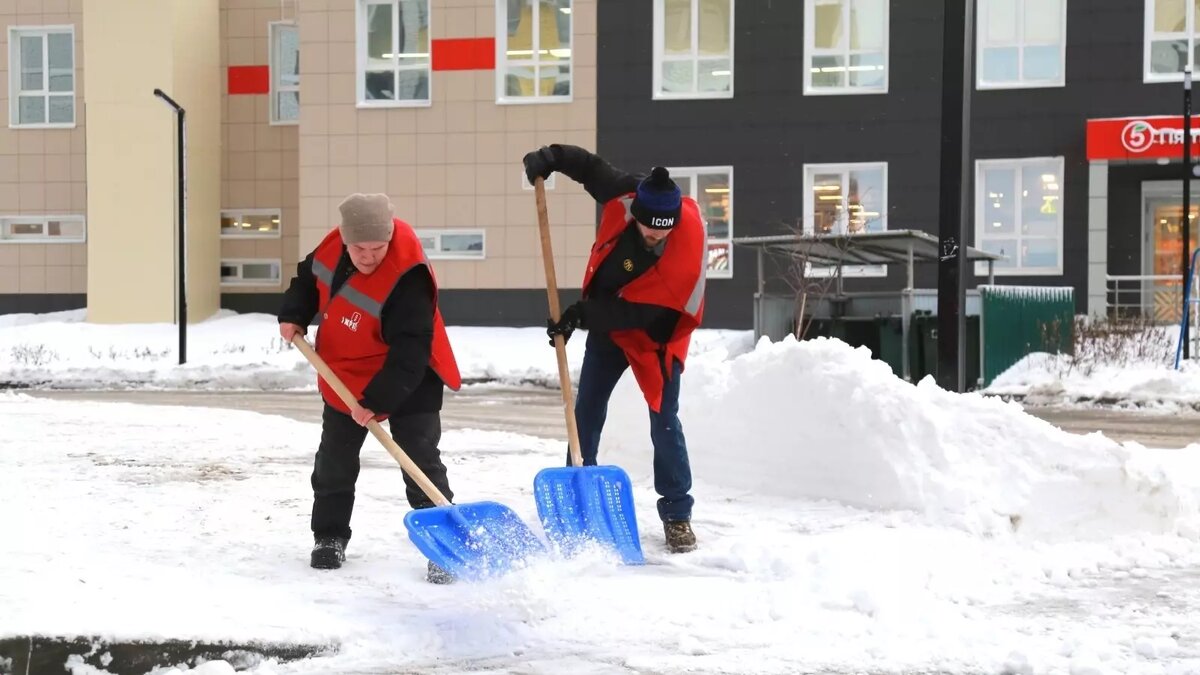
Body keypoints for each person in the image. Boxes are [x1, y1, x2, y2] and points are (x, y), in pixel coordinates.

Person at [522, 144, 707, 554]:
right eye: (649, 228)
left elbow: (646, 318)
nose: (656, 235)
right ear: (636, 211)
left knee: (664, 421)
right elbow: (590, 168)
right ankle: (575, 496)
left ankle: (677, 513)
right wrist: (550, 159)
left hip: (657, 335)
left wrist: (580, 315)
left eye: (664, 229)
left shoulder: (686, 249)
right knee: (585, 410)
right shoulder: (628, 193)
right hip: (608, 325)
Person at [278, 192, 462, 583]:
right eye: (359, 248)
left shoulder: (407, 274)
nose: (368, 256)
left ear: (390, 236)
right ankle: (328, 537)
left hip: (411, 376)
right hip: (345, 373)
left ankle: (443, 546)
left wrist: (376, 401)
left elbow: (411, 350)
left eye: (377, 247)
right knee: (334, 462)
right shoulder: (333, 246)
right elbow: (308, 279)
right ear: (345, 239)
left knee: (419, 461)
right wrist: (294, 314)